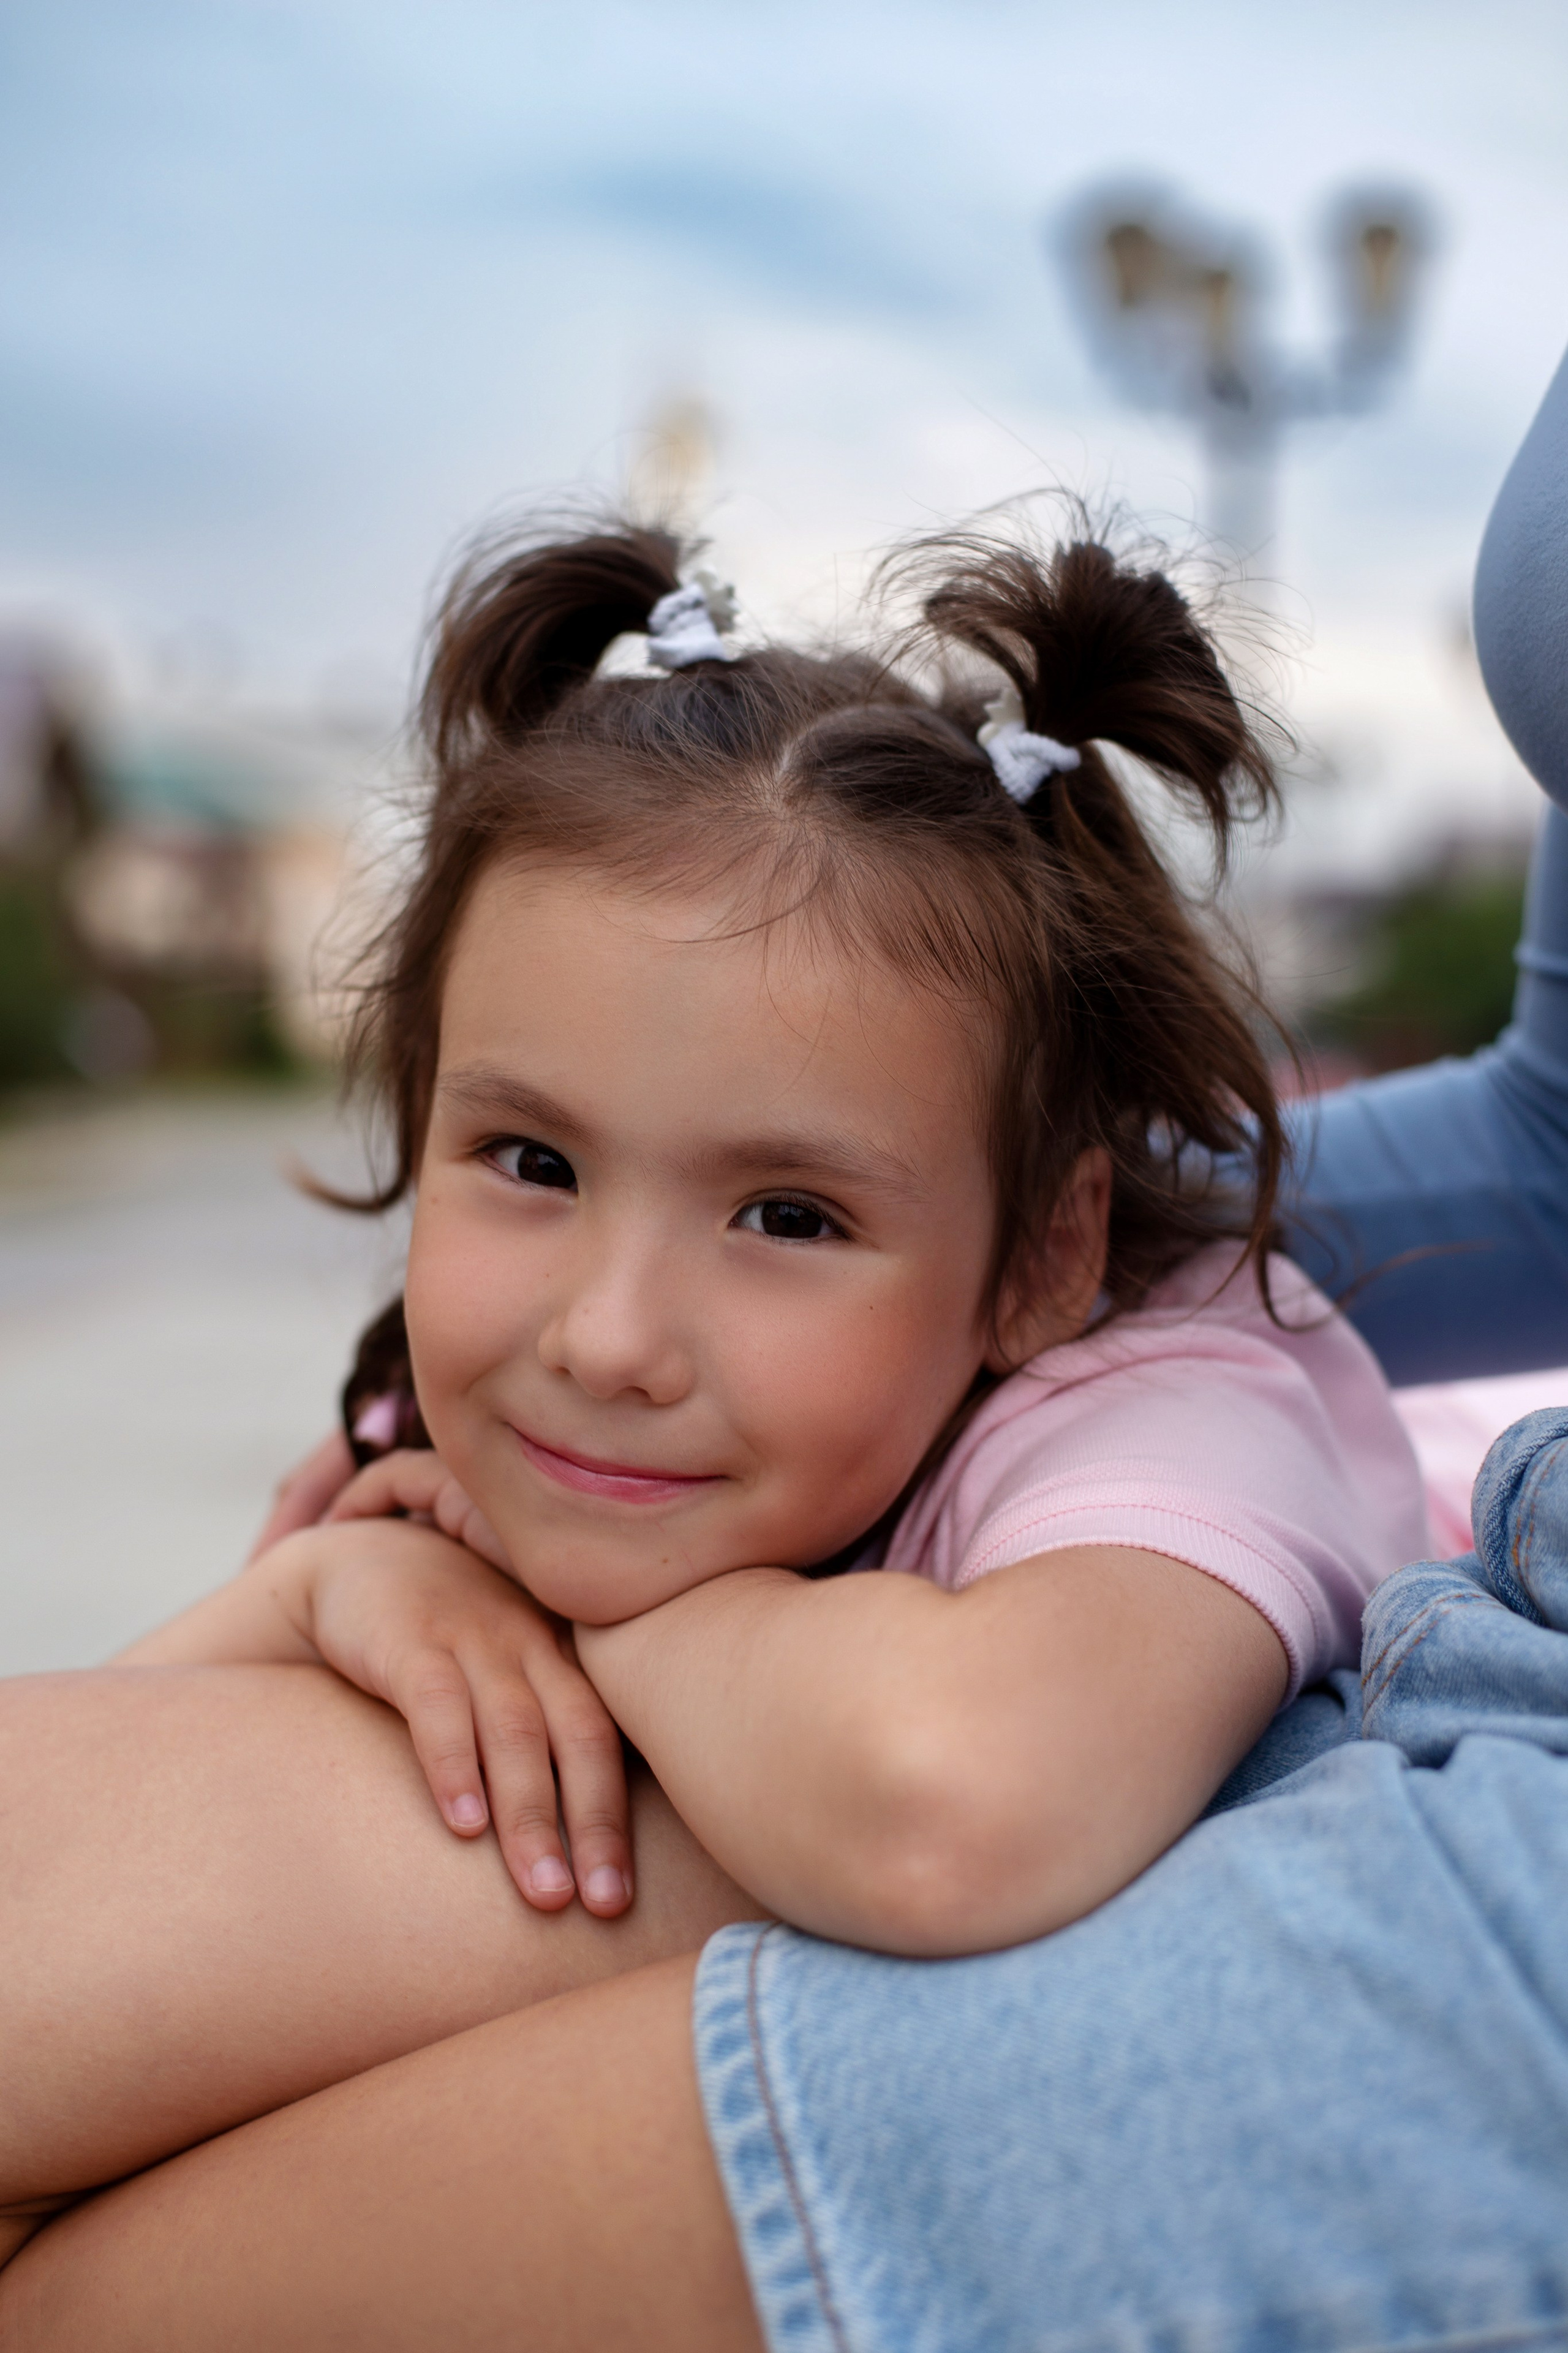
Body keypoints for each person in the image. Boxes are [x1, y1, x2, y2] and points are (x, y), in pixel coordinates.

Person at [2, 341, 1567, 2344]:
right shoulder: (560, 1428)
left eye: (789, 1216)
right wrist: (323, 1593)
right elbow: (114, 1775)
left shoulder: (1177, 1399)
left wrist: (607, 1630)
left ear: (1044, 1256)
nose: (609, 1334)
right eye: (529, 1160)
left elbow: (956, 1797)